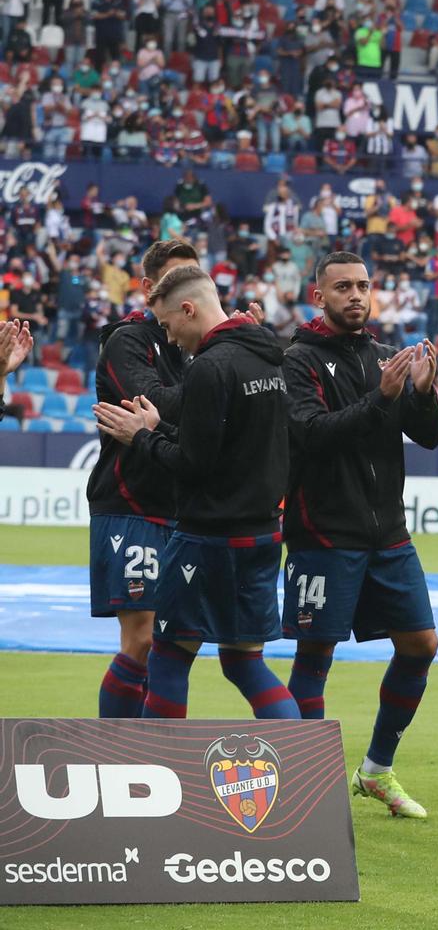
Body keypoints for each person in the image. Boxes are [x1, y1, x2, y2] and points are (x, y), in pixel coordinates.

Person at [93, 267, 301, 724]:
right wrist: (158, 428)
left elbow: (194, 465)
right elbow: (224, 448)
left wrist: (140, 438)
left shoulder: (211, 365)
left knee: (166, 657)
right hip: (263, 534)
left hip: (208, 537)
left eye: (168, 325)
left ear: (188, 309)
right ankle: (299, 772)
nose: (170, 339)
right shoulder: (271, 356)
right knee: (246, 663)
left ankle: (154, 778)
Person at [281, 251, 438, 819]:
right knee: (315, 655)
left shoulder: (384, 356)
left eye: (364, 286)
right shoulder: (297, 360)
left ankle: (375, 770)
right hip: (323, 533)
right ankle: (307, 786)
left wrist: (422, 395)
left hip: (387, 533)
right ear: (318, 295)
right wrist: (382, 398)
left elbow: (429, 438)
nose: (356, 295)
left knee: (422, 644)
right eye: (343, 287)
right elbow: (312, 435)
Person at [84, 238, 199, 718]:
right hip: (132, 504)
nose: (190, 290)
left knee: (179, 644)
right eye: (177, 279)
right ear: (149, 288)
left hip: (183, 507)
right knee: (143, 639)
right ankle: (117, 757)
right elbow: (147, 405)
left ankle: (154, 762)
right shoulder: (128, 340)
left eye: (197, 278)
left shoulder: (199, 343)